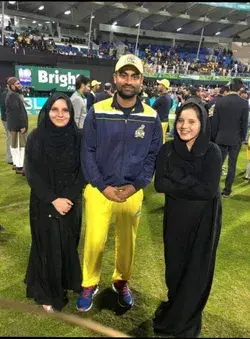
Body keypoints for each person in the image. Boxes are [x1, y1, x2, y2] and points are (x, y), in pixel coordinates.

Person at [77, 53, 162, 312]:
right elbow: (87, 151)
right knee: (94, 240)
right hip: (99, 189)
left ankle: (121, 281)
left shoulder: (151, 116)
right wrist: (103, 186)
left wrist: (135, 185)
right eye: (123, 75)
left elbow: (153, 155)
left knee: (127, 243)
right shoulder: (97, 110)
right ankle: (88, 284)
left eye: (134, 76)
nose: (128, 80)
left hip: (131, 191)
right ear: (115, 78)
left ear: (141, 81)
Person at [153, 98, 222, 338]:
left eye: (192, 121)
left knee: (196, 271)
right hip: (175, 219)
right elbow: (160, 184)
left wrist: (178, 180)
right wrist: (190, 182)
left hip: (204, 221)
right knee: (174, 268)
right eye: (181, 120)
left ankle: (187, 319)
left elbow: (208, 191)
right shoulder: (168, 149)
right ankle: (174, 307)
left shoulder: (212, 151)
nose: (184, 126)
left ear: (202, 123)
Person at [24, 93, 85, 312]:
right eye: (55, 109)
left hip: (71, 202)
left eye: (65, 110)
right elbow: (31, 173)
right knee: (47, 246)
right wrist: (53, 199)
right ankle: (47, 292)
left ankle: (64, 282)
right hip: (43, 202)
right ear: (47, 111)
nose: (60, 114)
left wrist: (67, 198)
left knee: (67, 244)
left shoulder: (79, 137)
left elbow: (83, 172)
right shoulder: (36, 137)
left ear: (71, 112)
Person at [211, 78, 249, 197]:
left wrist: (214, 136)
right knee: (232, 165)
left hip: (221, 137)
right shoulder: (243, 103)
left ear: (229, 87)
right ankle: (227, 190)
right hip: (235, 139)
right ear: (240, 88)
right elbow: (244, 123)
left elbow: (215, 123)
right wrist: (242, 138)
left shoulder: (221, 101)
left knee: (218, 164)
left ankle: (213, 188)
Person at [5, 77, 28, 175]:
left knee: (14, 145)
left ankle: (16, 164)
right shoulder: (13, 96)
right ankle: (20, 166)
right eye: (17, 84)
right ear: (12, 86)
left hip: (13, 125)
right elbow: (17, 112)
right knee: (21, 146)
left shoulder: (11, 95)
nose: (20, 85)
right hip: (17, 126)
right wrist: (22, 125)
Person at [153, 79, 172, 144]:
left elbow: (153, 109)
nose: (157, 86)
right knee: (162, 140)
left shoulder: (161, 98)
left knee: (157, 141)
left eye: (159, 84)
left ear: (163, 86)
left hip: (160, 121)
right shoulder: (169, 98)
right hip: (165, 121)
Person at [0, 83, 13, 165]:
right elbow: (7, 107)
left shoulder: (5, 93)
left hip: (6, 118)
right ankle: (9, 158)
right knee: (10, 137)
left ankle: (11, 156)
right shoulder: (6, 94)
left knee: (11, 137)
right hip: (7, 119)